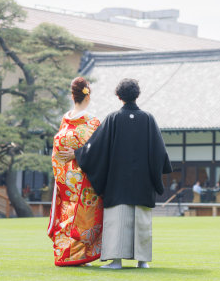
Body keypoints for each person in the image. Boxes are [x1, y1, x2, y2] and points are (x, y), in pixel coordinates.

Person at [59, 78, 172, 269]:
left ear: (119, 96)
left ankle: (116, 261)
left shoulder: (113, 118)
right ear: (137, 95)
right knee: (142, 221)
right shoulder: (148, 119)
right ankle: (142, 261)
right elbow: (159, 152)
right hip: (143, 181)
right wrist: (156, 174)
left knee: (117, 219)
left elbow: (96, 147)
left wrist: (77, 154)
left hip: (118, 181)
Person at [47, 77, 103, 267]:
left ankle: (64, 254)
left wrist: (69, 159)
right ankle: (78, 255)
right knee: (83, 215)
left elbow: (57, 150)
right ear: (88, 97)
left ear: (73, 97)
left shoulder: (65, 120)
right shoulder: (92, 122)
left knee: (66, 213)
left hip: (64, 177)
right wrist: (79, 154)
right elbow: (98, 152)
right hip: (84, 178)